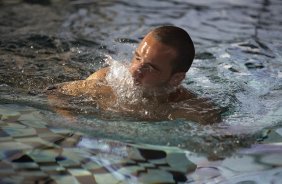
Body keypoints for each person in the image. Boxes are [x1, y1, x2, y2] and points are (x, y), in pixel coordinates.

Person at [46, 26, 222, 124]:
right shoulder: (106, 83)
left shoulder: (190, 105)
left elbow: (226, 142)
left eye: (150, 68)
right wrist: (72, 122)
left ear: (176, 78)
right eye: (137, 58)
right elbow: (55, 91)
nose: (136, 70)